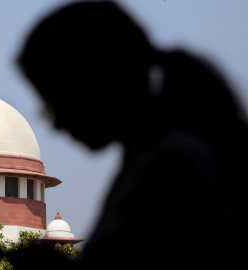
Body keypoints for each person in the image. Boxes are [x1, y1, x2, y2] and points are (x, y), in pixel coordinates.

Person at [18, 1, 247, 268]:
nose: (57, 125)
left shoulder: (173, 169)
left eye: (55, 103)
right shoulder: (160, 157)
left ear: (96, 82)